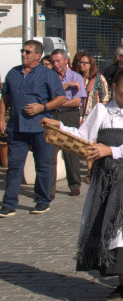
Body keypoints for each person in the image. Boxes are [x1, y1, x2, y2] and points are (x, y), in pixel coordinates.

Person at [43, 67, 123, 301]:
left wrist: (111, 150)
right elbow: (82, 136)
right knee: (109, 228)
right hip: (105, 179)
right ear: (114, 88)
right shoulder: (102, 110)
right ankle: (122, 281)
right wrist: (58, 127)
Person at [0, 40, 66, 217]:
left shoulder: (48, 75)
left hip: (40, 126)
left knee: (43, 165)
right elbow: (5, 96)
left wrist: (42, 107)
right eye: (22, 51)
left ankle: (42, 201)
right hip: (17, 127)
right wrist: (1, 118)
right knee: (14, 167)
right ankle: (9, 204)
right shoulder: (13, 73)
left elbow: (60, 98)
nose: (23, 54)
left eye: (28, 52)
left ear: (38, 55)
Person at [48, 49, 87, 197]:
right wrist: (64, 88)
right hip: (53, 115)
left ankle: (74, 184)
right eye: (53, 62)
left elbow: (77, 101)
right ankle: (49, 190)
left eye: (58, 61)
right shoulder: (49, 76)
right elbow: (48, 98)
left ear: (66, 61)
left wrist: (58, 102)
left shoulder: (76, 77)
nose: (55, 64)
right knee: (50, 153)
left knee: (70, 150)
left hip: (69, 116)